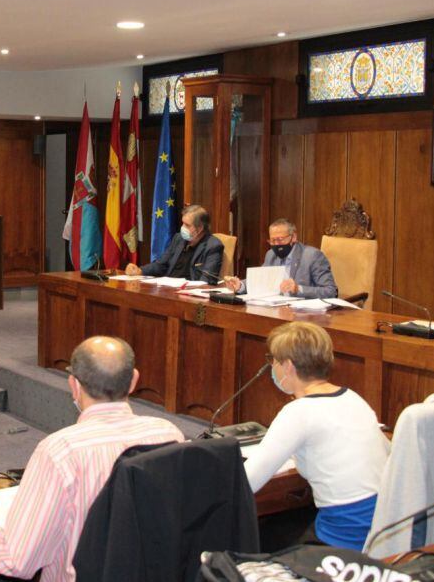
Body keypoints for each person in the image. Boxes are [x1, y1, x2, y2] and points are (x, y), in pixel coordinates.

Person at [0, 336, 184, 582]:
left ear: (74, 386)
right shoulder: (169, 434)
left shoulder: (61, 451)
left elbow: (15, 561)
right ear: (133, 381)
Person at [244, 322, 389, 551]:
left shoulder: (299, 412)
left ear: (288, 366)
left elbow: (247, 481)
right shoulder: (353, 398)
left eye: (273, 360)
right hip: (384, 526)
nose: (272, 367)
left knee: (256, 535)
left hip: (345, 533)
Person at [224, 219, 337, 298]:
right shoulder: (271, 254)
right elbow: (261, 280)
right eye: (273, 241)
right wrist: (240, 285)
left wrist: (298, 289)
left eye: (281, 239)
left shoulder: (312, 256)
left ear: (293, 237)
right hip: (275, 309)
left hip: (302, 315)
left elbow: (331, 291)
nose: (277, 244)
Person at [124, 204, 223, 282]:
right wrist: (140, 271)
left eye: (187, 225)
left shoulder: (213, 246)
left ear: (200, 228)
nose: (183, 228)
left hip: (189, 296)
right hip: (168, 290)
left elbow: (207, 280)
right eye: (182, 223)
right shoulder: (178, 238)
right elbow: (161, 264)